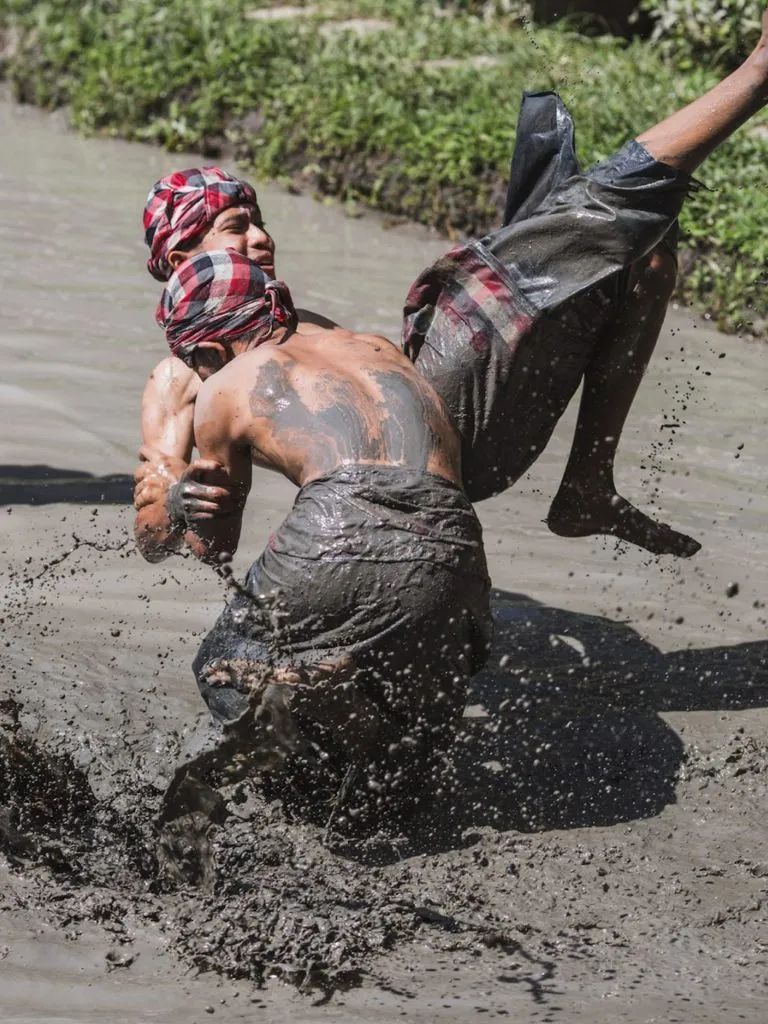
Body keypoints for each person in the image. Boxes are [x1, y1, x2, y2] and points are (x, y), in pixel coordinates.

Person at [136, 10, 768, 559]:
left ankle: (587, 485)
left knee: (638, 259)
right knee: (580, 224)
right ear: (182, 251)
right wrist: (182, 501)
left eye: (260, 224)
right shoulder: (181, 376)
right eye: (236, 228)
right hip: (408, 467)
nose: (260, 240)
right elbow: (154, 538)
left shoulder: (278, 314)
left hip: (435, 426)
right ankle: (757, 73)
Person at [137, 249, 491, 796]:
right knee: (412, 766)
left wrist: (183, 502)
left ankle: (313, 712)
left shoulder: (228, 382)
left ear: (209, 348)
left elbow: (216, 547)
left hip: (338, 525)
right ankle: (358, 723)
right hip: (455, 536)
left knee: (225, 665)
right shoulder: (379, 347)